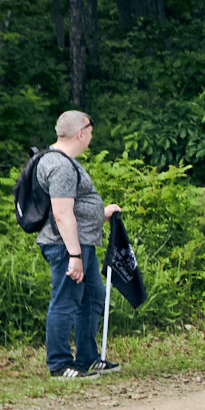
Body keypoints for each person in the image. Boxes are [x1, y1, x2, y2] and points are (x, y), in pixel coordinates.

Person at [33, 110, 122, 378]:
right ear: (81, 133)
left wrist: (100, 213)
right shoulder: (60, 166)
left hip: (81, 243)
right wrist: (74, 255)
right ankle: (60, 364)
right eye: (91, 132)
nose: (91, 138)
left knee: (94, 294)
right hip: (67, 247)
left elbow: (74, 205)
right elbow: (61, 213)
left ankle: (87, 358)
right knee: (66, 299)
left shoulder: (63, 161)